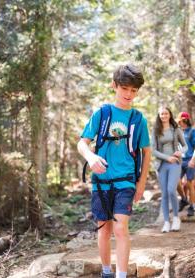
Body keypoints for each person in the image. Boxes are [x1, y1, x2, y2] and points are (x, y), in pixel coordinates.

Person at [77, 64, 151, 278]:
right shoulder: (102, 114)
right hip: (101, 182)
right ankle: (106, 272)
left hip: (126, 182)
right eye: (125, 88)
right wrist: (91, 157)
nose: (129, 94)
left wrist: (142, 183)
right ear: (114, 86)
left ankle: (121, 275)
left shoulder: (139, 119)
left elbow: (146, 152)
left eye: (133, 90)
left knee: (120, 228)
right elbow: (82, 143)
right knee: (104, 229)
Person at [152, 106, 188, 233]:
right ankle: (167, 222)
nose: (164, 116)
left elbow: (185, 146)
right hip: (162, 165)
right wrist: (167, 158)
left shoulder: (175, 129)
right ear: (159, 116)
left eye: (166, 113)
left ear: (170, 115)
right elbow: (154, 150)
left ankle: (176, 219)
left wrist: (179, 152)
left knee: (171, 190)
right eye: (161, 114)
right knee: (165, 194)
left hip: (175, 164)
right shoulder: (156, 130)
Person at [176, 112, 195, 217]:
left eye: (184, 119)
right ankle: (184, 199)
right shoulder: (177, 131)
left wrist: (193, 160)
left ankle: (191, 206)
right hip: (179, 161)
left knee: (190, 183)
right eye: (181, 120)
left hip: (190, 160)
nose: (182, 121)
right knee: (176, 182)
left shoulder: (192, 131)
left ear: (187, 120)